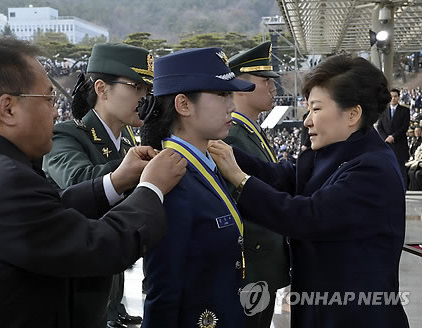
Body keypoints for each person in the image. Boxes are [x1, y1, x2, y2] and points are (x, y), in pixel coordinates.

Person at [0, 38, 187, 328]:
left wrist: (114, 182)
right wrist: (151, 189)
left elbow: (46, 214)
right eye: (47, 99)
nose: (55, 112)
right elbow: (98, 246)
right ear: (7, 109)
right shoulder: (1, 181)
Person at [209, 54, 409, 327]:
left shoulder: (373, 169)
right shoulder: (336, 153)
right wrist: (225, 152)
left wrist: (240, 179)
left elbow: (307, 216)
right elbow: (282, 177)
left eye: (316, 109)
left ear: (352, 114)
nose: (307, 121)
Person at [138, 47, 255, 328]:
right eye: (221, 95)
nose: (233, 106)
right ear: (184, 105)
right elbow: (163, 290)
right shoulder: (172, 179)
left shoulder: (205, 167)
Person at [43, 43, 153, 328]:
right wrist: (127, 172)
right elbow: (78, 181)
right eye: (137, 87)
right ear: (102, 88)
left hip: (107, 287)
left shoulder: (128, 142)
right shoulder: (67, 135)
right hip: (73, 290)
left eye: (147, 90)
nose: (144, 98)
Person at [225, 42, 290, 328]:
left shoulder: (251, 131)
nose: (272, 87)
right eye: (265, 81)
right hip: (252, 259)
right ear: (240, 87)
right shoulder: (234, 137)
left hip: (265, 258)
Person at [377, 88, 410, 187]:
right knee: (387, 169)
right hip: (386, 145)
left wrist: (393, 136)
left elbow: (405, 127)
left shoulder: (405, 110)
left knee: (400, 170)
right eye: (391, 96)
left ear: (399, 97)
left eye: (395, 96)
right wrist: (385, 138)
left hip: (399, 144)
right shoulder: (383, 111)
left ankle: (403, 192)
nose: (393, 99)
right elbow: (379, 126)